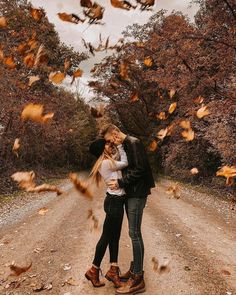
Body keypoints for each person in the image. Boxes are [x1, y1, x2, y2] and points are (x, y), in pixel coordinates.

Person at [101, 124, 155, 295]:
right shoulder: (125, 145)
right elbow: (125, 166)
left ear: (115, 133)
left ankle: (138, 278)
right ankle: (134, 270)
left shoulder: (134, 142)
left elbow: (140, 170)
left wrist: (120, 183)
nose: (110, 143)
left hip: (137, 194)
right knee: (133, 233)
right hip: (131, 193)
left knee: (134, 233)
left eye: (110, 139)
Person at [85, 138, 128, 288]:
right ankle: (93, 270)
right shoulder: (105, 163)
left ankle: (113, 270)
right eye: (107, 145)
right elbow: (125, 163)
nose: (110, 146)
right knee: (107, 237)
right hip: (114, 202)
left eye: (110, 144)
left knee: (114, 237)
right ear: (102, 150)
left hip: (116, 201)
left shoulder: (107, 162)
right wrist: (121, 145)